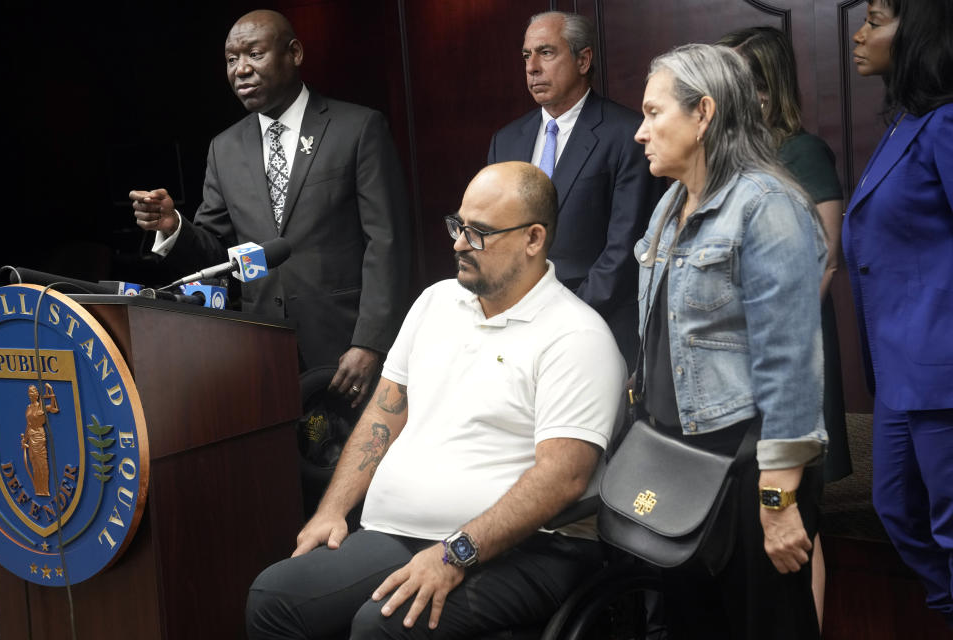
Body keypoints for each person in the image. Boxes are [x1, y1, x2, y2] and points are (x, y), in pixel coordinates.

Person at [245, 161, 627, 639]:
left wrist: (455, 553)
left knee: (381, 626)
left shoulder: (576, 336)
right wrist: (332, 510)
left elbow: (562, 480)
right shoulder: (435, 302)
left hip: (530, 549)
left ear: (533, 239)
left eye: (480, 233)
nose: (459, 243)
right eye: (458, 225)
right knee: (273, 598)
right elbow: (386, 409)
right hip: (398, 532)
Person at [632, 44, 827, 639]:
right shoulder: (670, 203)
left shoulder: (768, 207)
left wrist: (778, 502)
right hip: (678, 459)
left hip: (747, 471)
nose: (640, 132)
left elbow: (789, 364)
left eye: (653, 113)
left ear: (703, 114)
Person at [130, 9, 410, 409]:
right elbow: (216, 251)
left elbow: (387, 244)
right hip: (262, 354)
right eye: (230, 59)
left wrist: (370, 342)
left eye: (254, 54)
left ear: (293, 53)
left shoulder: (358, 128)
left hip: (345, 349)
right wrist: (175, 226)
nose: (240, 69)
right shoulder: (224, 148)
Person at [716, 25, 849, 627]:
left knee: (802, 516)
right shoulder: (732, 159)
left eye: (747, 84)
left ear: (770, 89)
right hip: (739, 368)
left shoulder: (802, 152)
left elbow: (825, 260)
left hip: (793, 357)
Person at [846, 0, 953, 626]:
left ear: (916, 31)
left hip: (939, 366)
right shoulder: (904, 120)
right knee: (894, 509)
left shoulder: (945, 124)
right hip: (896, 368)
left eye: (876, 20)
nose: (859, 35)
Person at [488, 11, 665, 371]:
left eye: (546, 52)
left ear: (583, 60)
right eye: (526, 56)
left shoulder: (628, 135)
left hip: (597, 330)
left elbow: (624, 250)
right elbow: (491, 237)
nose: (532, 67)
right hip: (513, 334)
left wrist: (560, 321)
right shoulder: (505, 141)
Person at [22, 383, 59, 497]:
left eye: (33, 392)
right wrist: (25, 440)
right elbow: (28, 425)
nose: (31, 394)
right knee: (34, 464)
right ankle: (38, 488)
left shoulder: (41, 406)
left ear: (37, 394)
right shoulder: (29, 408)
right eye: (29, 392)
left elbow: (54, 409)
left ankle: (45, 489)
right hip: (31, 436)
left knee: (42, 463)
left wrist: (52, 393)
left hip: (39, 436)